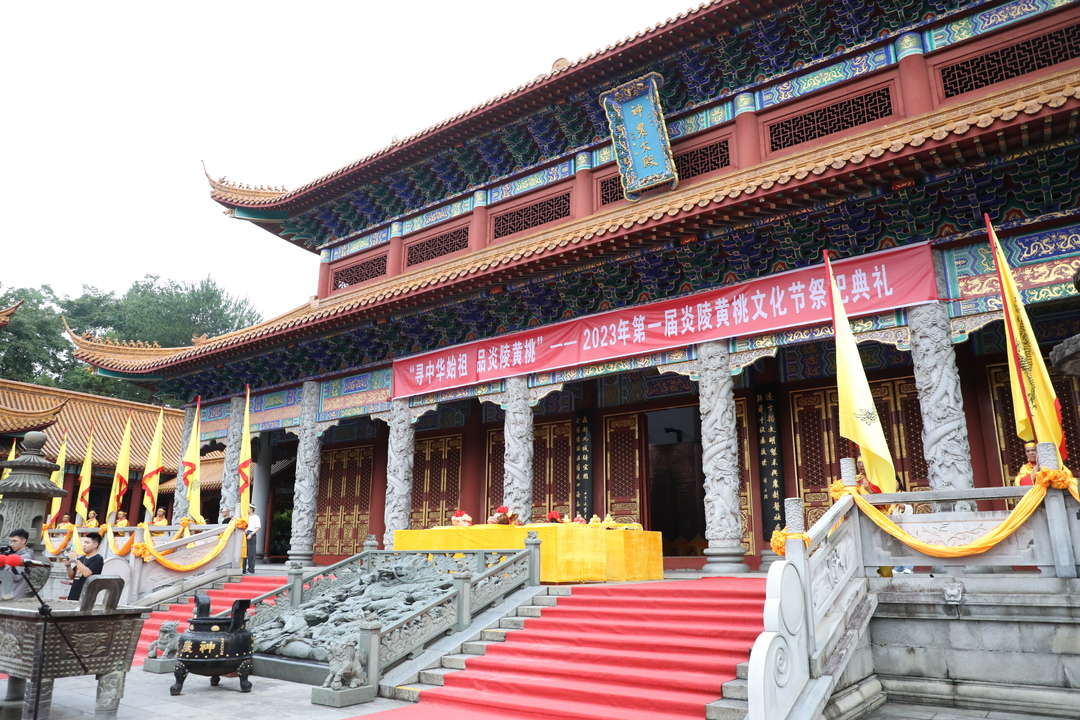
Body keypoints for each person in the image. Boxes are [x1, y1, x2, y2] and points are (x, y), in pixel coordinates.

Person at [64, 532, 104, 602]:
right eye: (84, 542)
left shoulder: (98, 559)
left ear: (95, 545)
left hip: (86, 596)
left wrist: (76, 560)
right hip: (74, 594)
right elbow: (72, 576)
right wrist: (68, 566)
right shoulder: (82, 559)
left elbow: (87, 573)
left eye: (87, 543)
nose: (84, 545)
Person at [2, 529, 35, 599]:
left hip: (13, 595)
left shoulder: (25, 557)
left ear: (23, 541)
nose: (12, 544)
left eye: (15, 541)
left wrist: (5, 562)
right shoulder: (11, 554)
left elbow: (15, 577)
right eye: (10, 541)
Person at [244, 504, 261, 574]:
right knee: (244, 551)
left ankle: (251, 569)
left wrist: (251, 534)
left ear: (252, 509)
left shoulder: (256, 517)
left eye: (248, 508)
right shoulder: (245, 516)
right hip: (244, 532)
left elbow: (258, 527)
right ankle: (243, 569)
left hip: (251, 533)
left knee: (251, 552)